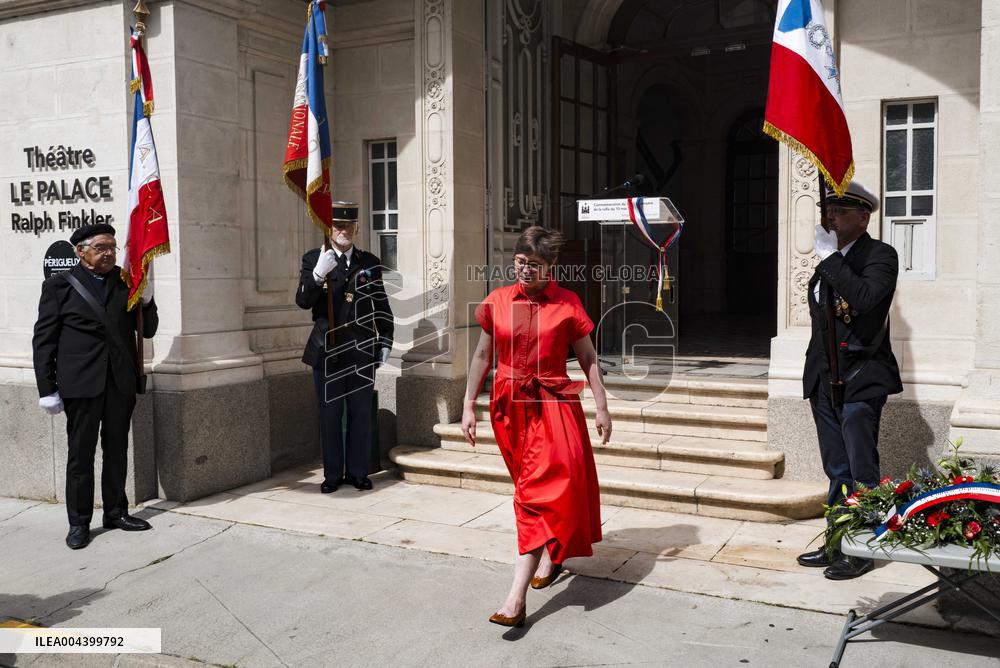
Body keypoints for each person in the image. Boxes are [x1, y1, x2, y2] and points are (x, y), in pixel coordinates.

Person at [462, 226, 610, 627]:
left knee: (533, 495)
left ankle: (515, 598)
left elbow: (589, 359)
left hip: (554, 405)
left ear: (552, 266)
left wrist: (601, 406)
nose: (525, 270)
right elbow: (481, 355)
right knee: (530, 489)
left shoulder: (567, 303)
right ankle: (553, 552)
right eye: (521, 262)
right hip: (508, 407)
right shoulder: (496, 301)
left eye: (535, 265)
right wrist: (467, 404)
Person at [795, 181, 902, 580]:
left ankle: (862, 549)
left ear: (864, 216)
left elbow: (864, 300)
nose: (831, 218)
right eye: (829, 211)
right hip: (825, 380)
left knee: (861, 470)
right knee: (836, 469)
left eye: (840, 212)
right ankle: (838, 541)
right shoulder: (831, 260)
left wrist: (830, 259)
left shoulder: (880, 256)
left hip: (860, 378)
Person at [32, 223, 159, 550]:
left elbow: (147, 331)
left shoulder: (125, 281)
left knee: (117, 450)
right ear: (81, 250)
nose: (108, 253)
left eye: (112, 248)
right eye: (101, 247)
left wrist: (147, 301)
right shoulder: (60, 286)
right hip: (81, 385)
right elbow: (44, 341)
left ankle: (116, 511)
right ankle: (78, 522)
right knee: (81, 457)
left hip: (119, 382)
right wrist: (47, 388)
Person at [296, 202, 394, 493]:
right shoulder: (315, 258)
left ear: (356, 228)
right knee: (330, 415)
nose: (343, 230)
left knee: (360, 414)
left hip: (362, 351)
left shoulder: (370, 263)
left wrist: (386, 339)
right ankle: (332, 476)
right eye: (337, 226)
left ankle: (358, 472)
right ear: (330, 228)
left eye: (348, 226)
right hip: (329, 352)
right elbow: (302, 301)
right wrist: (316, 276)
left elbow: (381, 305)